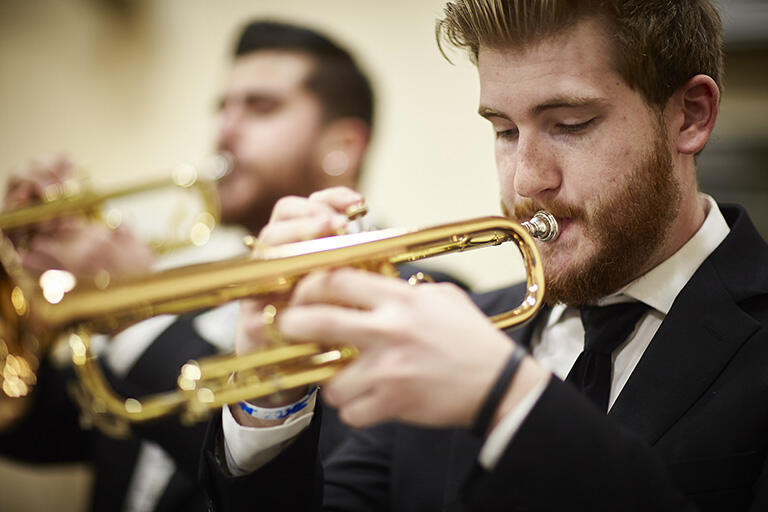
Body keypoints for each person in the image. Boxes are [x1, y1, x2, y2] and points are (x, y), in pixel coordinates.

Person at [202, 1, 768, 511]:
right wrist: (271, 399)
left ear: (691, 115)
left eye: (571, 124)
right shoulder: (465, 330)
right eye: (502, 130)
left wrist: (512, 404)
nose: (526, 180)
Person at [0, 20, 375, 512]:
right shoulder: (197, 286)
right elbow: (37, 434)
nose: (224, 131)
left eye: (260, 108)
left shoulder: (409, 292)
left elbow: (323, 481)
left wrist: (139, 314)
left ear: (341, 148)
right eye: (223, 108)